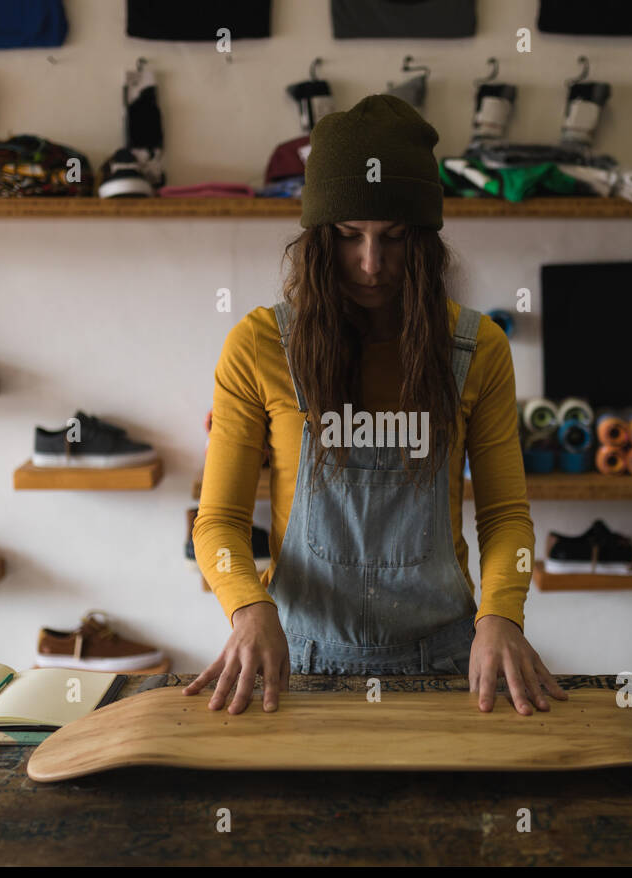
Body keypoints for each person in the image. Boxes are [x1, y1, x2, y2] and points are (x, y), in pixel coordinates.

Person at [186, 94, 566, 717]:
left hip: (446, 664)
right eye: (346, 236)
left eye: (393, 238)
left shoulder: (477, 348)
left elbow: (506, 520)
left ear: (425, 243)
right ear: (316, 239)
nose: (370, 264)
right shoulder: (259, 345)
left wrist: (501, 615)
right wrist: (248, 606)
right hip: (298, 662)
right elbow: (218, 522)